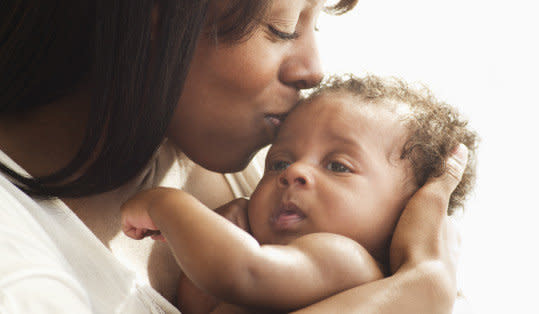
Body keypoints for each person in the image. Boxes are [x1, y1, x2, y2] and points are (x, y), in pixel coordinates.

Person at [0, 1, 464, 313]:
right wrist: (418, 289)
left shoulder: (231, 167)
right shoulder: (20, 276)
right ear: (159, 15)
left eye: (314, 24)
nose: (313, 69)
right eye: (282, 28)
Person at [120, 74, 478, 313]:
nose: (294, 172)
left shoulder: (346, 260)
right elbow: (195, 302)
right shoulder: (292, 262)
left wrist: (167, 203)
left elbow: (241, 274)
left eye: (338, 166)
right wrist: (224, 230)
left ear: (406, 212)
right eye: (278, 163)